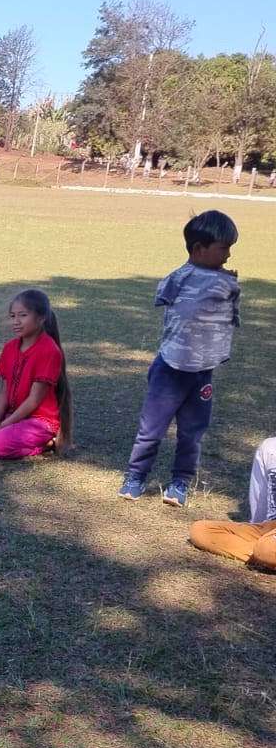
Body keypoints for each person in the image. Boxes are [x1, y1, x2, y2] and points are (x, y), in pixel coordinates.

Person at [119, 210, 240, 508]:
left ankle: (180, 483)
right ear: (199, 248)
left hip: (202, 373)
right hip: (170, 370)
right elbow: (168, 305)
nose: (228, 255)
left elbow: (229, 318)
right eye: (223, 248)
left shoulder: (228, 283)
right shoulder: (177, 279)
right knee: (151, 430)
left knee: (191, 433)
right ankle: (136, 477)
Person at [0, 288, 72, 458]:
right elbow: (5, 390)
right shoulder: (10, 348)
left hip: (39, 421)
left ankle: (46, 443)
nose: (16, 322)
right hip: (12, 415)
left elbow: (34, 400)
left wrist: (3, 425)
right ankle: (4, 435)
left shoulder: (49, 350)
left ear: (41, 318)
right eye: (12, 316)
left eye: (23, 315)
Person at [189, 435, 276, 571]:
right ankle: (263, 554)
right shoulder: (270, 448)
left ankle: (265, 553)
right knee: (200, 530)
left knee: (266, 549)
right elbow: (260, 508)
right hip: (269, 528)